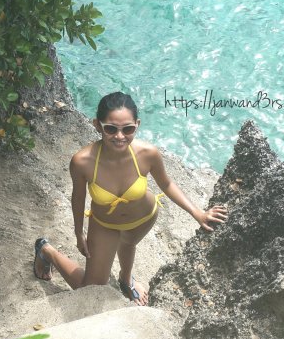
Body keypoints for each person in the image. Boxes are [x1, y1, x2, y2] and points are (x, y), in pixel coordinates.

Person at [33, 91, 227, 305]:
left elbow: (167, 184)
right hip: (105, 224)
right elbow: (78, 198)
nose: (119, 136)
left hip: (143, 218)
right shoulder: (82, 162)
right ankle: (46, 251)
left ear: (137, 125)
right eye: (111, 129)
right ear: (97, 125)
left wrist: (197, 213)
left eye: (128, 129)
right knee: (90, 288)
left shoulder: (148, 153)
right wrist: (79, 232)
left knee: (128, 244)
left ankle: (126, 279)